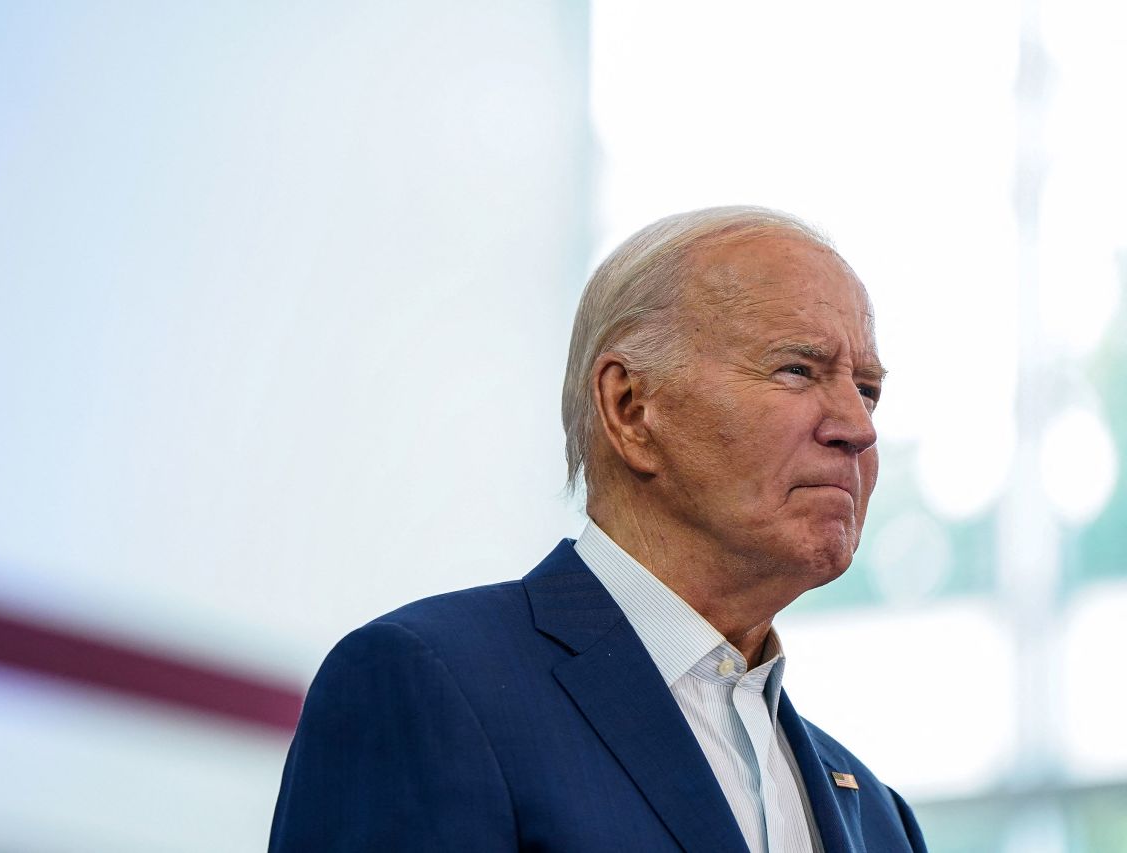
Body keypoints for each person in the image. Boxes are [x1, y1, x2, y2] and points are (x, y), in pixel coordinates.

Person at [269, 206, 928, 852]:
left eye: (867, 388)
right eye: (798, 371)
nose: (858, 426)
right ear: (631, 408)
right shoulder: (430, 686)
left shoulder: (879, 818)